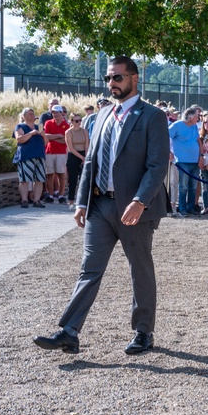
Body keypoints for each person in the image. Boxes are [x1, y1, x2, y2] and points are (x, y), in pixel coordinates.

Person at [33, 55, 170, 355]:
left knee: (140, 270)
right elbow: (92, 162)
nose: (111, 83)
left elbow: (158, 165)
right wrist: (81, 201)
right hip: (99, 207)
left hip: (133, 210)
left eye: (117, 78)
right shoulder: (103, 115)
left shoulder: (152, 117)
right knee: (89, 269)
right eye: (109, 78)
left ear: (135, 79)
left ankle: (143, 332)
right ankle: (69, 331)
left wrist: (140, 201)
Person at [169, 107, 201, 216]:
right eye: (197, 116)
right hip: (182, 161)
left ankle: (190, 207)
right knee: (183, 186)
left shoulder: (194, 126)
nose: (198, 118)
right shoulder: (176, 125)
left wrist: (201, 156)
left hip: (195, 161)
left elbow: (198, 140)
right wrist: (170, 151)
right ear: (190, 117)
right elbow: (165, 137)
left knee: (193, 187)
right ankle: (182, 208)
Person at [13, 108, 46, 208]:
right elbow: (20, 139)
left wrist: (43, 135)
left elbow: (46, 142)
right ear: (24, 116)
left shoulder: (39, 126)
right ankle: (24, 200)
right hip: (26, 156)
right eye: (30, 114)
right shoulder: (20, 126)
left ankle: (37, 200)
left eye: (33, 114)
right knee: (24, 179)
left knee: (39, 179)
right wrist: (31, 133)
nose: (32, 115)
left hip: (40, 156)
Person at [43, 105, 71, 204]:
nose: (55, 114)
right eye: (53, 112)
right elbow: (46, 136)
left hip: (61, 153)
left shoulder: (66, 125)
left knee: (61, 174)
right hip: (49, 152)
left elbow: (65, 140)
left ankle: (61, 195)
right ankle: (50, 195)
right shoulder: (48, 123)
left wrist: (52, 137)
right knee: (50, 174)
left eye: (57, 112)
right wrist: (58, 136)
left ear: (61, 113)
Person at [65, 112, 89, 207]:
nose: (79, 122)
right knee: (73, 178)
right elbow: (70, 148)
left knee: (84, 178)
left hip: (84, 153)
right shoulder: (69, 132)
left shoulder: (84, 131)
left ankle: (83, 199)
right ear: (71, 121)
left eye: (80, 120)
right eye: (76, 120)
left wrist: (86, 157)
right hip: (74, 155)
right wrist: (81, 157)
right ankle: (71, 200)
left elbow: (87, 144)